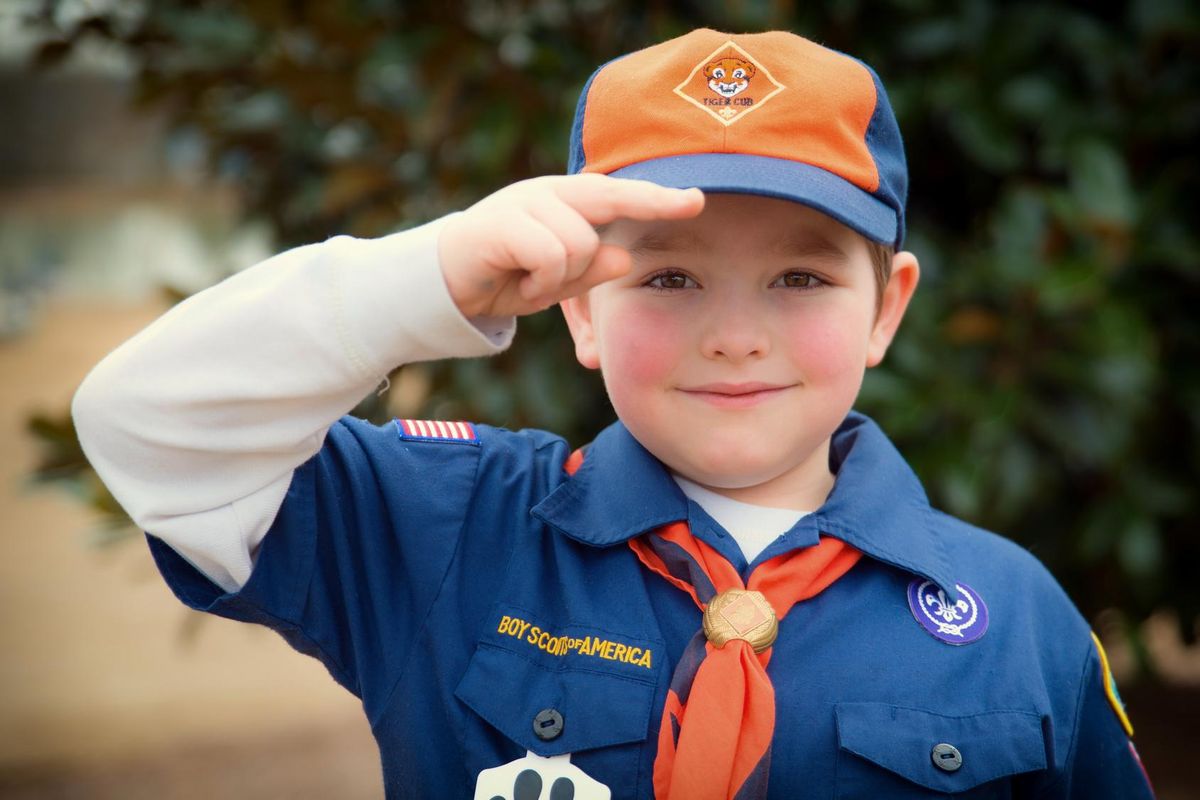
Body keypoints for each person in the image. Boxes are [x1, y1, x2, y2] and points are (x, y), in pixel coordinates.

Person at [72, 28, 1155, 800]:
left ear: (890, 308)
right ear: (580, 311)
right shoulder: (448, 529)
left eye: (802, 278)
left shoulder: (1015, 615)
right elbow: (143, 424)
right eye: (670, 279)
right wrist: (433, 273)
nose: (736, 334)